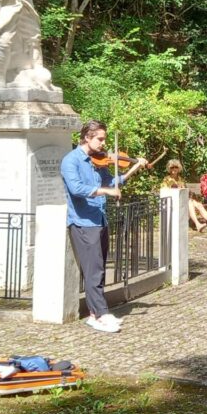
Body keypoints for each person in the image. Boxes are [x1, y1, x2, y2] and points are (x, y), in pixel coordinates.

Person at [60, 120, 147, 333]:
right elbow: (76, 188)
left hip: (100, 219)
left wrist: (134, 167)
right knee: (93, 270)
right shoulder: (71, 161)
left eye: (104, 138)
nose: (103, 143)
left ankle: (95, 313)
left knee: (98, 271)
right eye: (100, 138)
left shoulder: (97, 161)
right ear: (87, 137)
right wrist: (107, 192)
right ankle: (100, 314)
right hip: (83, 222)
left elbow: (113, 182)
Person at [161, 159, 207, 232]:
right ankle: (198, 224)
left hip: (183, 201)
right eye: (172, 167)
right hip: (173, 202)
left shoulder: (181, 179)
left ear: (179, 168)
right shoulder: (166, 180)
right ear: (169, 168)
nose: (174, 169)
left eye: (176, 167)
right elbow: (164, 193)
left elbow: (185, 191)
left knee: (198, 204)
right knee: (190, 202)